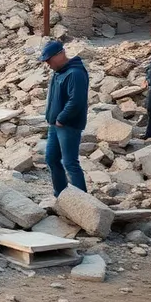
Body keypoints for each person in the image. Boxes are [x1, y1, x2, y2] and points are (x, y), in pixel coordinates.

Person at [41, 39, 89, 196]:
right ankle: (61, 195)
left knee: (70, 163)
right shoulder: (58, 72)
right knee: (51, 159)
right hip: (55, 124)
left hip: (68, 125)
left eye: (49, 59)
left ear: (60, 54)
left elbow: (76, 101)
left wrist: (61, 118)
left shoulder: (75, 73)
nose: (47, 63)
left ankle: (83, 202)